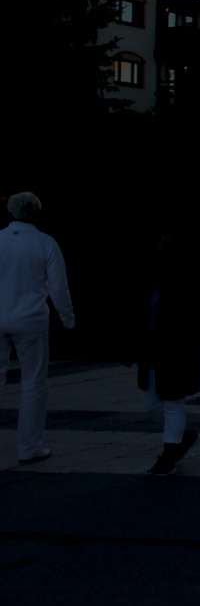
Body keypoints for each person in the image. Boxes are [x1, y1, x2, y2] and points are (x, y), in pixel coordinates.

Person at [0, 192, 75, 465]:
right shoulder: (45, 242)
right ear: (37, 213)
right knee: (33, 383)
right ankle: (29, 447)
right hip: (31, 320)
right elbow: (58, 286)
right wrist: (67, 319)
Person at [133, 231, 200, 477]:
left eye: (170, 245)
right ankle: (178, 439)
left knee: (172, 402)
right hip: (152, 346)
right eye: (163, 243)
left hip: (175, 349)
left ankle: (169, 454)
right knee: (151, 401)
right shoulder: (150, 276)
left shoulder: (186, 278)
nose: (165, 249)